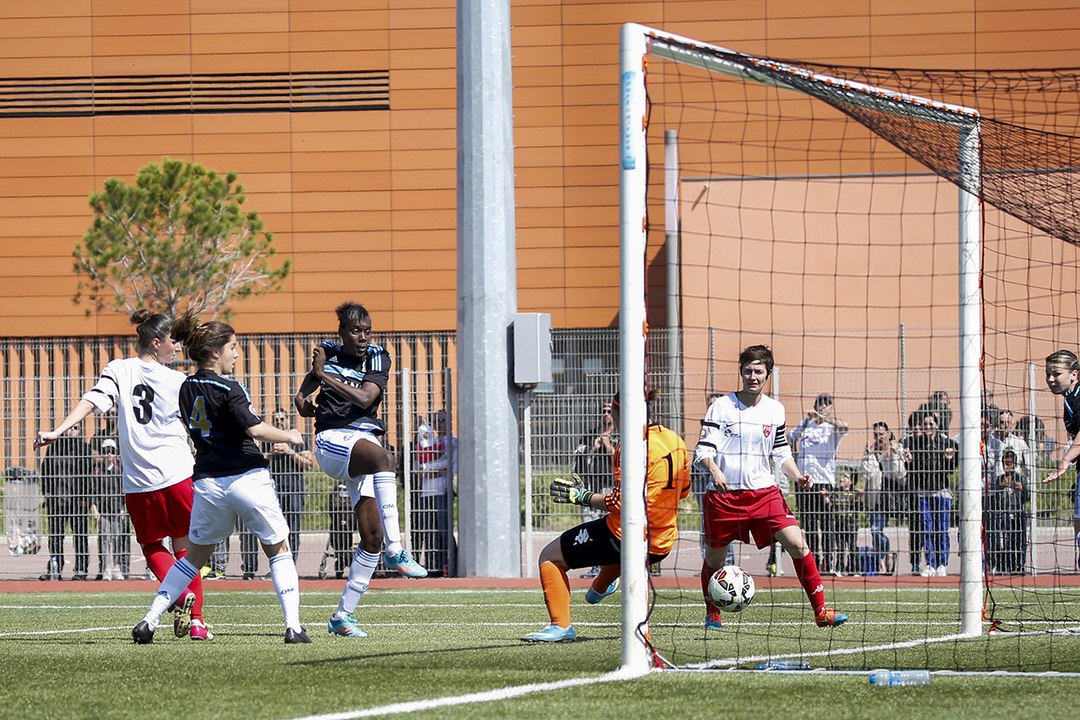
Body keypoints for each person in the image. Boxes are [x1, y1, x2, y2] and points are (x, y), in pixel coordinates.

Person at [132, 310, 310, 644]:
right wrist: (291, 436)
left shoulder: (185, 388)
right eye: (233, 346)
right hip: (246, 477)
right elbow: (254, 428)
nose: (237, 353)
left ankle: (149, 621)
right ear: (215, 352)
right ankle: (294, 627)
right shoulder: (229, 387)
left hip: (208, 484)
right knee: (278, 549)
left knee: (194, 559)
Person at [36, 310, 209, 638]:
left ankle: (181, 598)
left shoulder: (119, 369)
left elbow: (91, 401)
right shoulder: (180, 382)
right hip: (179, 475)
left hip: (140, 481)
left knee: (150, 545)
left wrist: (58, 431)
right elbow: (198, 427)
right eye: (173, 342)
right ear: (156, 343)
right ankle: (197, 622)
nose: (177, 348)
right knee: (187, 548)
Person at [295, 301, 425, 640]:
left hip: (362, 442)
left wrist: (324, 376)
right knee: (385, 459)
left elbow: (366, 399)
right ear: (341, 332)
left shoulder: (378, 356)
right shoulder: (328, 353)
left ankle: (342, 616)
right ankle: (398, 549)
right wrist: (302, 402)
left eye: (367, 330)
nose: (363, 337)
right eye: (355, 331)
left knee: (371, 538)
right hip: (332, 441)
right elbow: (303, 393)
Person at [695, 344, 848, 629]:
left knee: (798, 544)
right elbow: (702, 451)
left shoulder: (775, 410)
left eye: (759, 371)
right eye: (748, 370)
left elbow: (781, 453)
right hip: (724, 498)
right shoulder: (721, 406)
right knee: (715, 558)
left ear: (768, 374)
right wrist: (714, 470)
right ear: (740, 372)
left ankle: (821, 612)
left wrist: (797, 475)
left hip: (765, 494)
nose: (753, 376)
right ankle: (713, 612)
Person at [521, 388, 690, 642]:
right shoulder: (675, 440)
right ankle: (602, 585)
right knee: (616, 564)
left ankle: (561, 626)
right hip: (662, 541)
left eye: (613, 412)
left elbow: (621, 504)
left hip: (625, 536)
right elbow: (684, 491)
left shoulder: (631, 446)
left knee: (549, 557)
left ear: (622, 413)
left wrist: (580, 496)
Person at [788, 392, 849, 575]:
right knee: (809, 525)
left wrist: (822, 418)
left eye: (827, 404)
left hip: (824, 483)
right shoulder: (806, 423)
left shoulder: (832, 428)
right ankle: (814, 563)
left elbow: (844, 427)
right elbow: (791, 437)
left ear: (831, 408)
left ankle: (829, 563)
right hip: (804, 482)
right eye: (820, 404)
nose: (823, 406)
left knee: (826, 523)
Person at [902, 410, 957, 577]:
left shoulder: (947, 443)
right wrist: (909, 461)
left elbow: (950, 470)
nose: (927, 427)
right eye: (925, 424)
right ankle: (930, 563)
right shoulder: (915, 444)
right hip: (923, 493)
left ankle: (942, 563)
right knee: (927, 529)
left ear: (937, 425)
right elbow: (912, 471)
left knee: (942, 529)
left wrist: (949, 460)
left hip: (941, 492)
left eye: (930, 424)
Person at [36, 425, 93, 580]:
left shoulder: (84, 449)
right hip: (57, 500)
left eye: (75, 428)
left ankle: (81, 570)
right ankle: (55, 567)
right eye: (69, 428)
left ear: (80, 431)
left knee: (80, 536)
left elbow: (89, 476)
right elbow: (45, 470)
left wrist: (86, 498)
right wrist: (47, 493)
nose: (71, 431)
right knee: (55, 536)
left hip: (78, 501)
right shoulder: (55, 448)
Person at [1041, 349, 1080, 570]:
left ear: (1074, 374)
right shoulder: (1070, 398)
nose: (1050, 379)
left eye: (1056, 374)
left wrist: (1065, 461)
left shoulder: (1078, 396)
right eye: (1048, 374)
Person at [571, 401, 616, 578]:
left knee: (609, 526)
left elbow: (621, 459)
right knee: (589, 526)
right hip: (590, 487)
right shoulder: (588, 435)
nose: (606, 414)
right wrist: (593, 448)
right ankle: (595, 565)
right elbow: (578, 458)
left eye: (609, 411)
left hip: (608, 486)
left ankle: (609, 566)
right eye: (603, 411)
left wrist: (607, 445)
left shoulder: (620, 435)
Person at [267, 407, 314, 566]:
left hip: (294, 489)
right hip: (274, 490)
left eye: (282, 419)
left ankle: (291, 564)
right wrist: (270, 455)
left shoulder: (298, 439)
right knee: (275, 530)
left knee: (293, 529)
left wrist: (290, 452)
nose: (279, 422)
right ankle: (278, 564)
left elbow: (308, 464)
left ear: (288, 420)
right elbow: (258, 462)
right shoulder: (268, 440)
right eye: (276, 420)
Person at [413, 409, 457, 576]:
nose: (439, 424)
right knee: (429, 531)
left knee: (444, 531)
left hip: (442, 491)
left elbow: (451, 465)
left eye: (443, 420)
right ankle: (433, 567)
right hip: (426, 492)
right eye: (437, 421)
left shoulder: (452, 442)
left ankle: (451, 564)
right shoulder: (429, 441)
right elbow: (417, 467)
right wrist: (432, 469)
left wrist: (428, 469)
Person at [860, 421, 904, 575]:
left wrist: (895, 454)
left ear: (888, 434)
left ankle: (886, 557)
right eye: (875, 434)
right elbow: (867, 474)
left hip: (889, 499)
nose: (878, 437)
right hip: (874, 499)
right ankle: (884, 561)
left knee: (876, 530)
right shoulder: (871, 452)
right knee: (874, 532)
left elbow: (899, 474)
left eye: (881, 434)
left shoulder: (897, 449)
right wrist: (869, 455)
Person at [90, 438, 129, 580]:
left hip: (117, 509)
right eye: (106, 451)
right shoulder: (97, 470)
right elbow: (93, 490)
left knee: (118, 539)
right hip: (104, 510)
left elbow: (125, 490)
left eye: (111, 451)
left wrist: (124, 508)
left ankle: (117, 567)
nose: (108, 454)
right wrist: (94, 508)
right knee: (105, 539)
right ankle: (107, 567)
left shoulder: (120, 470)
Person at [985, 448, 1029, 574]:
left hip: (1018, 512)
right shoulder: (999, 479)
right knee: (1005, 540)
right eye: (1005, 463)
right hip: (1003, 513)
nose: (1007, 466)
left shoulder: (1021, 478)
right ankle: (1004, 565)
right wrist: (1001, 486)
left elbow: (1028, 497)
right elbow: (995, 498)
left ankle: (1019, 565)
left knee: (1020, 540)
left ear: (1015, 464)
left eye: (1010, 463)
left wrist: (1023, 489)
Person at [829, 471, 861, 575]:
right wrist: (826, 497)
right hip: (839, 524)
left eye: (845, 477)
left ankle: (855, 570)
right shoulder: (836, 493)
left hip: (851, 524)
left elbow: (859, 507)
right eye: (841, 476)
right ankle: (840, 569)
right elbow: (830, 506)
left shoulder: (854, 493)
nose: (841, 479)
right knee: (841, 547)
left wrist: (861, 498)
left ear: (850, 481)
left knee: (852, 547)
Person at [996, 409, 1034, 478]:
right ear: (997, 424)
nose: (1006, 425)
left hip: (1015, 483)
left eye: (1008, 422)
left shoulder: (1019, 443)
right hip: (995, 484)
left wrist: (1024, 482)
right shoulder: (992, 442)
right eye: (1002, 422)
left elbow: (1029, 466)